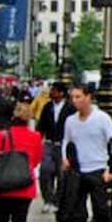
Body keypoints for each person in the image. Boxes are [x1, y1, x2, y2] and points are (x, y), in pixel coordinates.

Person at [61, 83, 112, 222]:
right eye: (73, 97)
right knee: (78, 215)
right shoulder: (70, 121)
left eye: (78, 97)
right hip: (78, 171)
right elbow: (66, 141)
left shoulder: (102, 118)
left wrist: (110, 169)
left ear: (88, 97)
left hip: (98, 169)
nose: (74, 101)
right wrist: (65, 158)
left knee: (101, 210)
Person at [36, 82, 74, 213]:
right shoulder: (47, 107)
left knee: (62, 174)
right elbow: (40, 127)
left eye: (54, 90)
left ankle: (58, 201)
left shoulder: (70, 108)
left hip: (64, 145)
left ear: (61, 93)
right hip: (49, 143)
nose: (51, 92)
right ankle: (48, 200)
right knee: (45, 171)